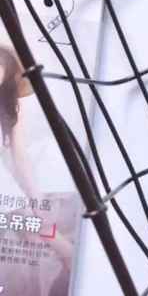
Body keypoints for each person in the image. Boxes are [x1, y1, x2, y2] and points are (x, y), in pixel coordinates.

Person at [0, 44, 75, 296]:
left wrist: (35, 197)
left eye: (1, 67)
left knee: (35, 226)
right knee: (31, 229)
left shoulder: (10, 109)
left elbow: (20, 156)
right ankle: (68, 256)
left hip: (5, 188)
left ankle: (70, 258)